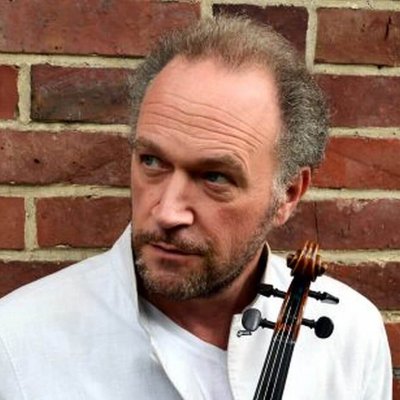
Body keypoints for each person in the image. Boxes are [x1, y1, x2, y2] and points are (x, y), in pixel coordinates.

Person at [0, 15, 392, 400]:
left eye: (215, 177)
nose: (167, 212)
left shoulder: (351, 337)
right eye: (152, 161)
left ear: (288, 194)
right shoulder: (17, 343)